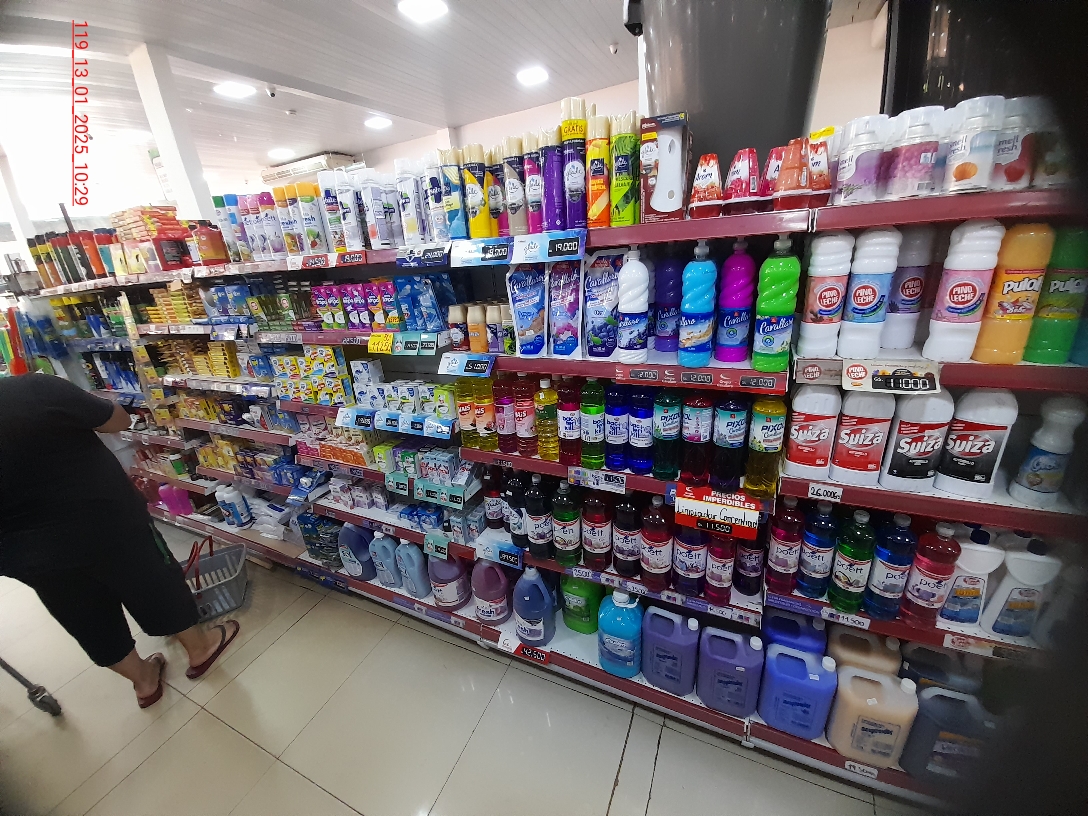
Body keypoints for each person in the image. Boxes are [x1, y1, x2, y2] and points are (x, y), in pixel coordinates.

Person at [0, 373, 239, 708]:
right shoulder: (31, 389)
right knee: (152, 582)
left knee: (82, 615)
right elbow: (118, 420)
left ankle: (144, 681)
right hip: (103, 520)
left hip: (25, 553)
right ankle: (201, 649)